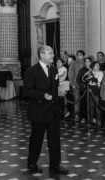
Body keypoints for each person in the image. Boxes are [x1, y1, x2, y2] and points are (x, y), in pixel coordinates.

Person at [24, 45, 68, 175]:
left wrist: (60, 92)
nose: (53, 56)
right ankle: (32, 163)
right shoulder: (31, 71)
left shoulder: (54, 70)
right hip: (38, 110)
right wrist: (42, 95)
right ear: (42, 55)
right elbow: (27, 91)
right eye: (50, 53)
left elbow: (54, 88)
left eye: (52, 53)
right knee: (36, 139)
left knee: (55, 139)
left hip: (53, 110)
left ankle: (55, 165)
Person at [68, 50, 86, 122]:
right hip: (76, 85)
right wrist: (72, 84)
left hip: (85, 86)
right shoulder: (73, 63)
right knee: (77, 101)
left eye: (80, 54)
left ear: (83, 55)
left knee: (84, 101)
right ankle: (77, 115)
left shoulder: (86, 63)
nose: (79, 56)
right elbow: (70, 74)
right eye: (78, 54)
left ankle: (84, 117)